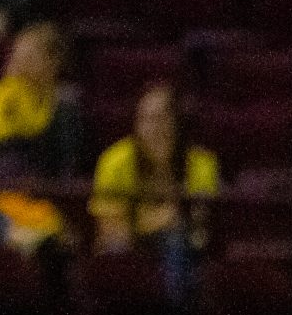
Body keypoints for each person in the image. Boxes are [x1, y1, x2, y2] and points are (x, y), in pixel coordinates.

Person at [89, 81, 216, 295]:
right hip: (127, 246)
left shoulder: (202, 164)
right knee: (115, 252)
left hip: (181, 249)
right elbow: (111, 230)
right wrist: (162, 220)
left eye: (162, 119)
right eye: (145, 119)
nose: (153, 128)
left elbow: (199, 226)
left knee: (178, 244)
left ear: (178, 123)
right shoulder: (113, 161)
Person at [0, 22, 81, 181]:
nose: (21, 60)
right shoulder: (9, 88)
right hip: (4, 160)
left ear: (53, 61)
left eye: (30, 55)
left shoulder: (60, 98)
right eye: (17, 53)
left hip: (41, 167)